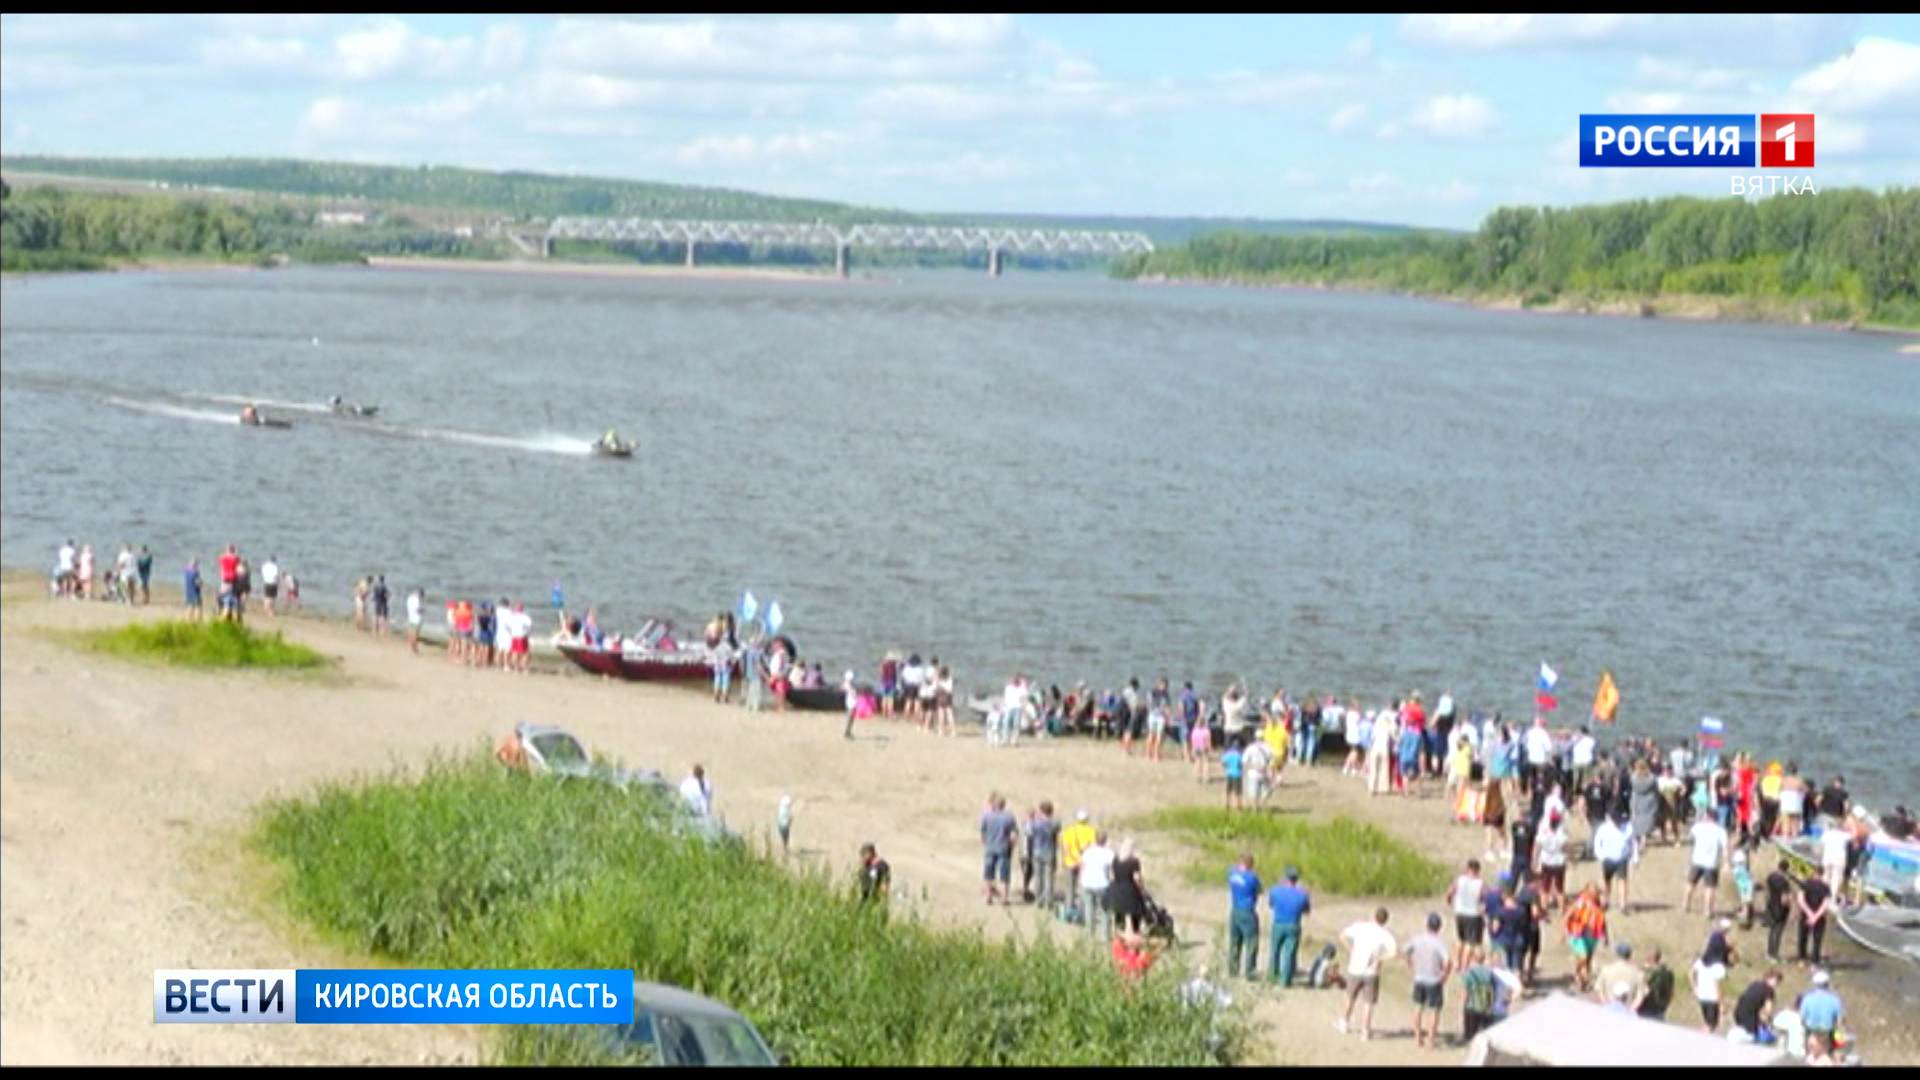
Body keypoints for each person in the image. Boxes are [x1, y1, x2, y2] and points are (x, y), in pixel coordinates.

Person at [1336, 908, 1395, 1040]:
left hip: (1355, 967)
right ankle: (1365, 1030)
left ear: (1374, 916)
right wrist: (1380, 959)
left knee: (1350, 996)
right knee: (1368, 1003)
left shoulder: (1360, 927)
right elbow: (1392, 952)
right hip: (1371, 971)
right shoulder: (1384, 934)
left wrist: (1350, 949)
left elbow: (1343, 935)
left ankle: (1344, 1022)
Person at [1405, 912, 1452, 1050]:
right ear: (1439, 927)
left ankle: (1418, 1037)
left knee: (1418, 1007)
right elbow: (1447, 961)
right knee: (1434, 1011)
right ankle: (1431, 1039)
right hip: (1434, 979)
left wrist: (1411, 965)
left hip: (1419, 977)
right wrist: (1445, 975)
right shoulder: (1440, 943)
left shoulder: (1417, 939)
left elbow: (1406, 951)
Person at [1268, 865, 1312, 987]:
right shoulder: (1302, 894)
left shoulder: (1275, 890)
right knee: (1289, 952)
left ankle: (1272, 975)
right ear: (1296, 879)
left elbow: (1271, 904)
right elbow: (1307, 911)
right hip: (1293, 924)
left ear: (1285, 877)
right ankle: (1285, 980)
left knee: (1274, 950)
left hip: (1278, 922)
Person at [1683, 808, 1732, 919]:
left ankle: (1686, 904)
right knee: (1709, 887)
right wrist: (1726, 862)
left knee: (1691, 882)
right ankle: (1707, 910)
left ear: (1707, 816)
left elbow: (1691, 837)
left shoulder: (1698, 827)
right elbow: (1725, 848)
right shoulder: (1720, 831)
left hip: (1697, 860)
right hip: (1711, 863)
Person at [1564, 884, 1609, 993]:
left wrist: (1606, 936)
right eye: (1593, 893)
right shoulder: (1581, 902)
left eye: (1596, 893)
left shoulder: (1598, 905)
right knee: (1583, 956)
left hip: (1593, 934)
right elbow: (1568, 915)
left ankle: (1585, 978)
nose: (1595, 895)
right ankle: (1579, 975)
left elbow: (1603, 921)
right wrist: (1565, 931)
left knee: (1588, 958)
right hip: (1578, 933)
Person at [1226, 853, 1262, 981]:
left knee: (1234, 941)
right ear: (1251, 865)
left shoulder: (1232, 873)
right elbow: (1259, 890)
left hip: (1234, 910)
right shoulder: (1252, 877)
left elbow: (1232, 868)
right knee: (1251, 942)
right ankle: (1249, 971)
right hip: (1247, 911)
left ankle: (1233, 969)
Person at [1447, 858, 1487, 971]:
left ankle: (1456, 963)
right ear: (1478, 870)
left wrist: (1450, 902)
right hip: (1473, 914)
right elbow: (1484, 898)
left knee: (1460, 939)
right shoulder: (1480, 883)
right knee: (1470, 942)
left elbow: (1450, 892)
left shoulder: (1459, 880)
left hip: (1460, 912)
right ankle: (1465, 965)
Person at [979, 794, 1018, 906]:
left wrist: (985, 843)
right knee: (1004, 873)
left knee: (988, 873)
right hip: (1003, 846)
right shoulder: (1009, 816)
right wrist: (1011, 845)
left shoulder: (986, 816)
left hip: (990, 846)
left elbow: (983, 833)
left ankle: (988, 897)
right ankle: (1004, 897)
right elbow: (1013, 834)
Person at [1079, 831, 1116, 941]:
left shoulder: (1088, 852)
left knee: (1089, 909)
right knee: (1105, 910)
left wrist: (1080, 880)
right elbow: (1112, 868)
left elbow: (1082, 867)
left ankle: (1089, 934)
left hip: (1087, 883)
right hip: (1102, 883)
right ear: (1105, 840)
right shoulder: (1109, 853)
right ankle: (1105, 935)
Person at [1107, 840, 1148, 935]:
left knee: (1119, 916)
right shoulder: (1133, 862)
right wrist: (1142, 888)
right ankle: (1135, 934)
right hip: (1130, 891)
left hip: (1117, 890)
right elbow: (1136, 877)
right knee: (1136, 914)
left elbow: (1113, 874)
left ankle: (1119, 938)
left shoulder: (1115, 860)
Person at [1797, 865, 1835, 966]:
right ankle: (1814, 962)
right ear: (1822, 874)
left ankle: (1802, 959)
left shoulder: (1805, 884)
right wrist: (1815, 916)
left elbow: (1801, 900)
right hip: (1819, 917)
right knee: (1817, 940)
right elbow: (1825, 904)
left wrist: (1809, 913)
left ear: (1813, 872)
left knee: (1803, 938)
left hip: (1805, 915)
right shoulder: (1826, 887)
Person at [1796, 970, 1843, 1048]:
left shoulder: (1807, 999)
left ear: (1814, 984)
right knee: (1839, 1032)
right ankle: (1838, 1051)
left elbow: (1802, 1018)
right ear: (1827, 984)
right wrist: (1838, 1039)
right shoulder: (1835, 1000)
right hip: (1828, 1031)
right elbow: (1839, 1021)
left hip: (1811, 1030)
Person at [1594, 943, 1647, 1012]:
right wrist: (1630, 1011)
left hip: (1608, 1008)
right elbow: (1640, 997)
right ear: (1630, 955)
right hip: (1627, 1010)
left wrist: (1606, 1005)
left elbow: (1599, 990)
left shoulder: (1606, 970)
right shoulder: (1638, 974)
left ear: (1617, 954)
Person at [1734, 968, 1783, 1042]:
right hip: (1750, 1015)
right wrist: (1768, 1022)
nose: (1777, 984)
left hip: (1738, 1011)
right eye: (1777, 982)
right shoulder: (1769, 990)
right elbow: (1768, 1010)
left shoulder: (1755, 984)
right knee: (1752, 1036)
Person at [1028, 803, 1061, 908]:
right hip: (1049, 851)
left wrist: (1032, 818)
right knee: (1049, 877)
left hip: (1037, 850)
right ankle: (1049, 899)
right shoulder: (1054, 823)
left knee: (1038, 876)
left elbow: (1028, 833)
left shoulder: (1036, 823)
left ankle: (1039, 899)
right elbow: (1057, 828)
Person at [1690, 949, 1729, 1033]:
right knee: (1711, 1024)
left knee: (1707, 1022)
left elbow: (1691, 973)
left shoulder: (1701, 962)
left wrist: (1695, 988)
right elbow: (1717, 986)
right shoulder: (1718, 967)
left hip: (1702, 996)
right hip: (1712, 998)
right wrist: (1721, 1003)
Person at [1638, 946, 1676, 1021]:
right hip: (1660, 1009)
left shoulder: (1643, 973)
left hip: (1644, 1009)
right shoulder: (1667, 973)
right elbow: (1670, 991)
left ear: (1648, 958)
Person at [1221, 739, 1245, 811]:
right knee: (1238, 792)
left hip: (1229, 773)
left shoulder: (1228, 754)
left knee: (1228, 790)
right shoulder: (1239, 755)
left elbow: (1223, 762)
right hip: (1237, 774)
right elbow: (1241, 764)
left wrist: (1227, 767)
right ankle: (1239, 806)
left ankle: (1227, 804)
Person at [406, 588, 424, 654]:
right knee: (415, 634)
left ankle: (410, 646)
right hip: (417, 619)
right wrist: (423, 610)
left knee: (410, 633)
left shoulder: (410, 598)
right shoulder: (417, 600)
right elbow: (418, 609)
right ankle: (414, 648)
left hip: (410, 617)